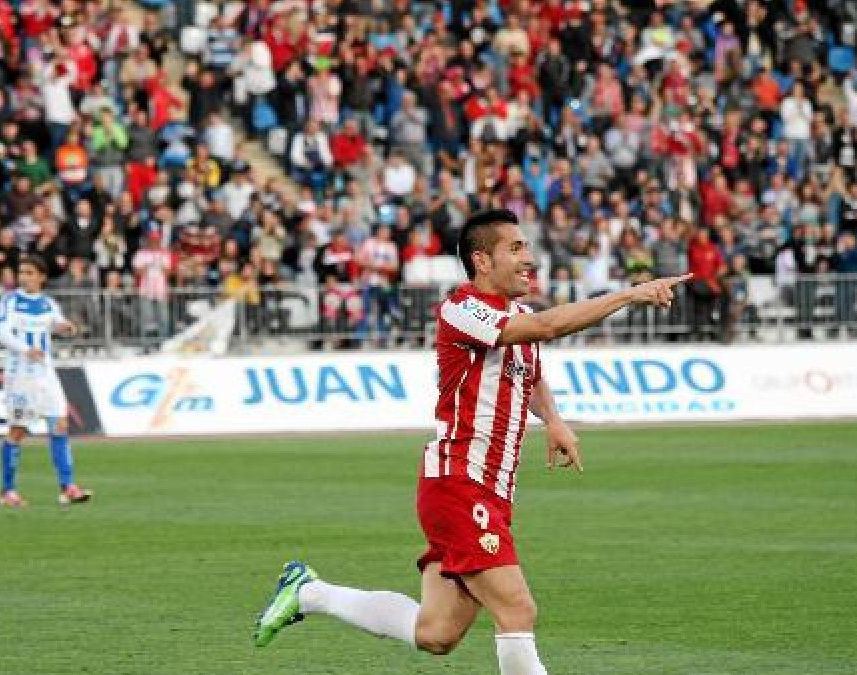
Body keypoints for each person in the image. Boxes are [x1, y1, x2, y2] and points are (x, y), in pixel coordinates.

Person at [252, 209, 688, 674]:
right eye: (516, 249)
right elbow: (546, 329)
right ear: (482, 260)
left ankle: (309, 593)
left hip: (490, 488)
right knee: (517, 610)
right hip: (461, 481)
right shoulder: (462, 310)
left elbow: (531, 368)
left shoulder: (517, 315)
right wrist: (630, 293)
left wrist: (554, 420)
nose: (529, 259)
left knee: (437, 633)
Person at [0, 255, 93, 508]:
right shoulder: (9, 301)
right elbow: (1, 332)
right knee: (18, 431)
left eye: (28, 272)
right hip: (20, 376)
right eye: (21, 272)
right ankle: (8, 491)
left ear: (41, 277)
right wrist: (25, 349)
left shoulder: (48, 303)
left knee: (59, 424)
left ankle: (68, 487)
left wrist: (65, 326)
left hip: (46, 373)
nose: (23, 277)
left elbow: (53, 324)